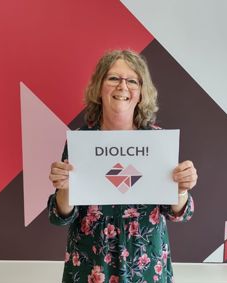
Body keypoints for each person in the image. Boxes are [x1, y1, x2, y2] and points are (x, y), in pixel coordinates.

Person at [48, 50, 198, 283]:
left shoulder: (157, 141)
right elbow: (61, 217)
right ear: (99, 87)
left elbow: (178, 213)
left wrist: (181, 189)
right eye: (113, 78)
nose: (123, 86)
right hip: (91, 264)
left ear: (141, 92)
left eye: (132, 81)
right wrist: (65, 190)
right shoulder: (80, 142)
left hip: (146, 264)